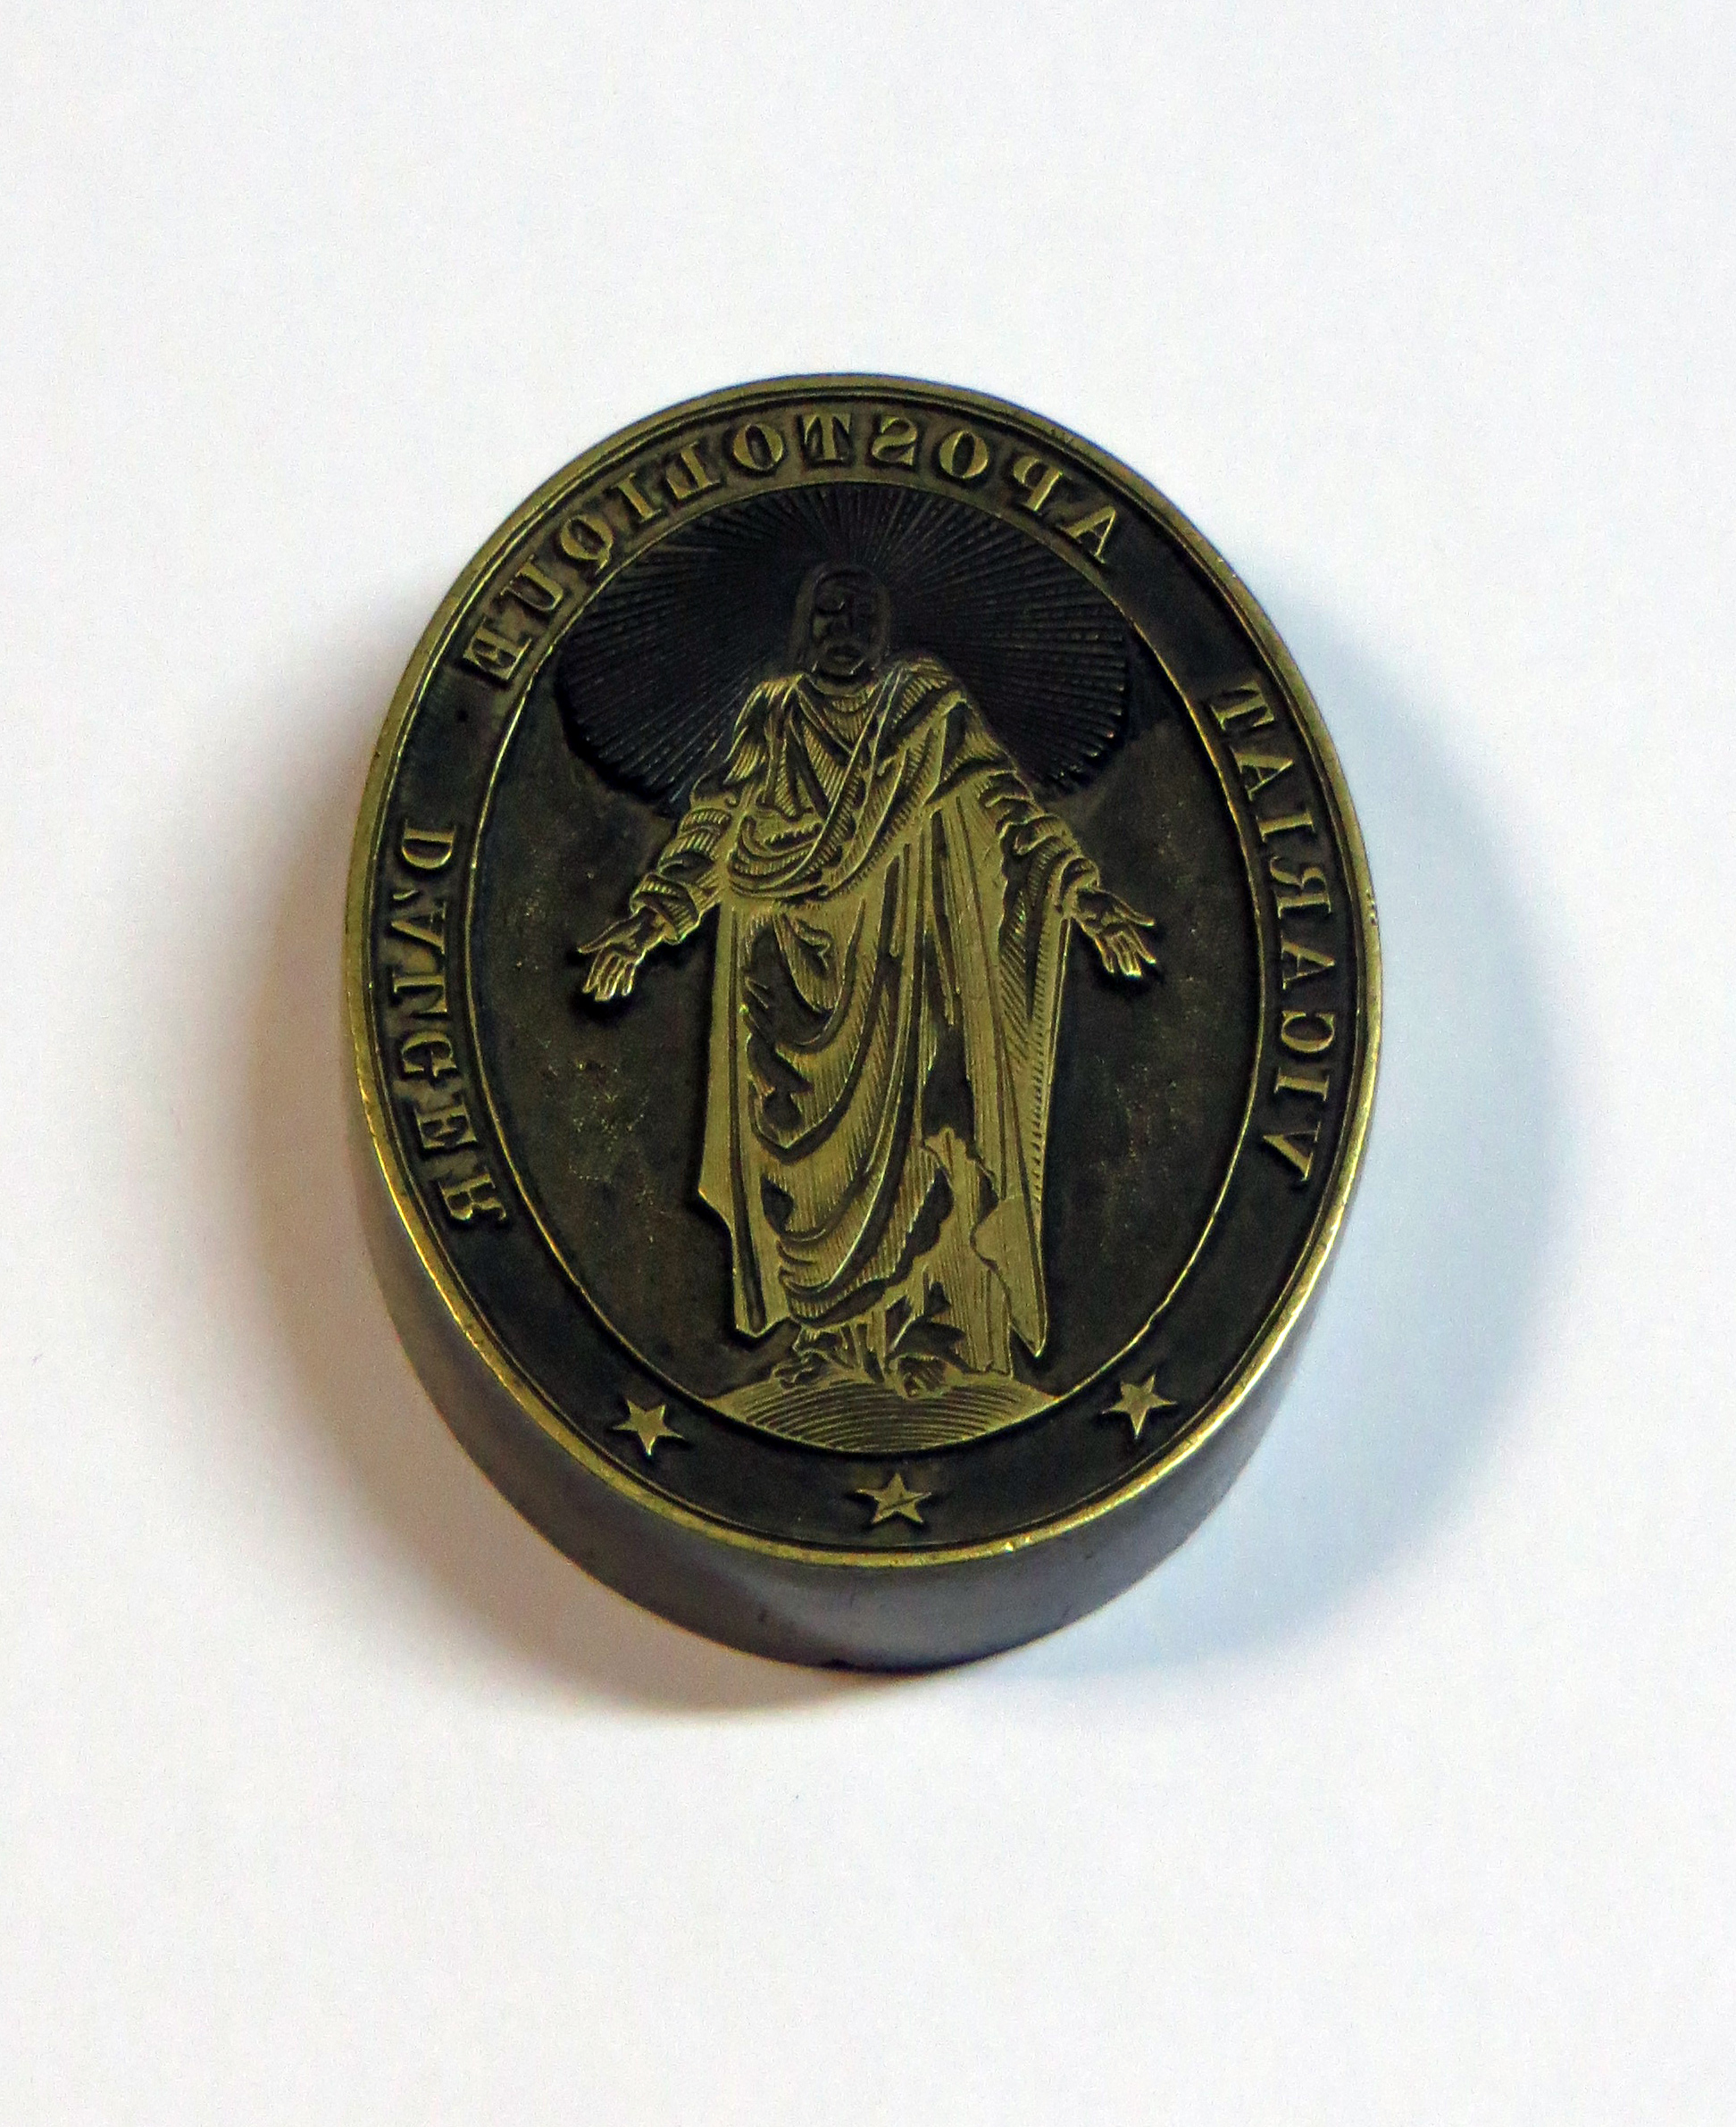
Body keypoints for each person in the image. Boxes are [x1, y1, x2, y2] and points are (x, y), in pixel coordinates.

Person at [580, 563, 1156, 1404]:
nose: (841, 629)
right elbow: (716, 821)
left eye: (859, 615)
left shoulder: (928, 713)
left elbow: (1013, 812)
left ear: (884, 633)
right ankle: (824, 1338)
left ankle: (923, 1325)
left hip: (901, 963)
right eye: (827, 613)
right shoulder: (774, 716)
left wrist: (1087, 900)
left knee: (924, 1138)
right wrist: (647, 924)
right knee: (793, 1168)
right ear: (806, 629)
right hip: (784, 967)